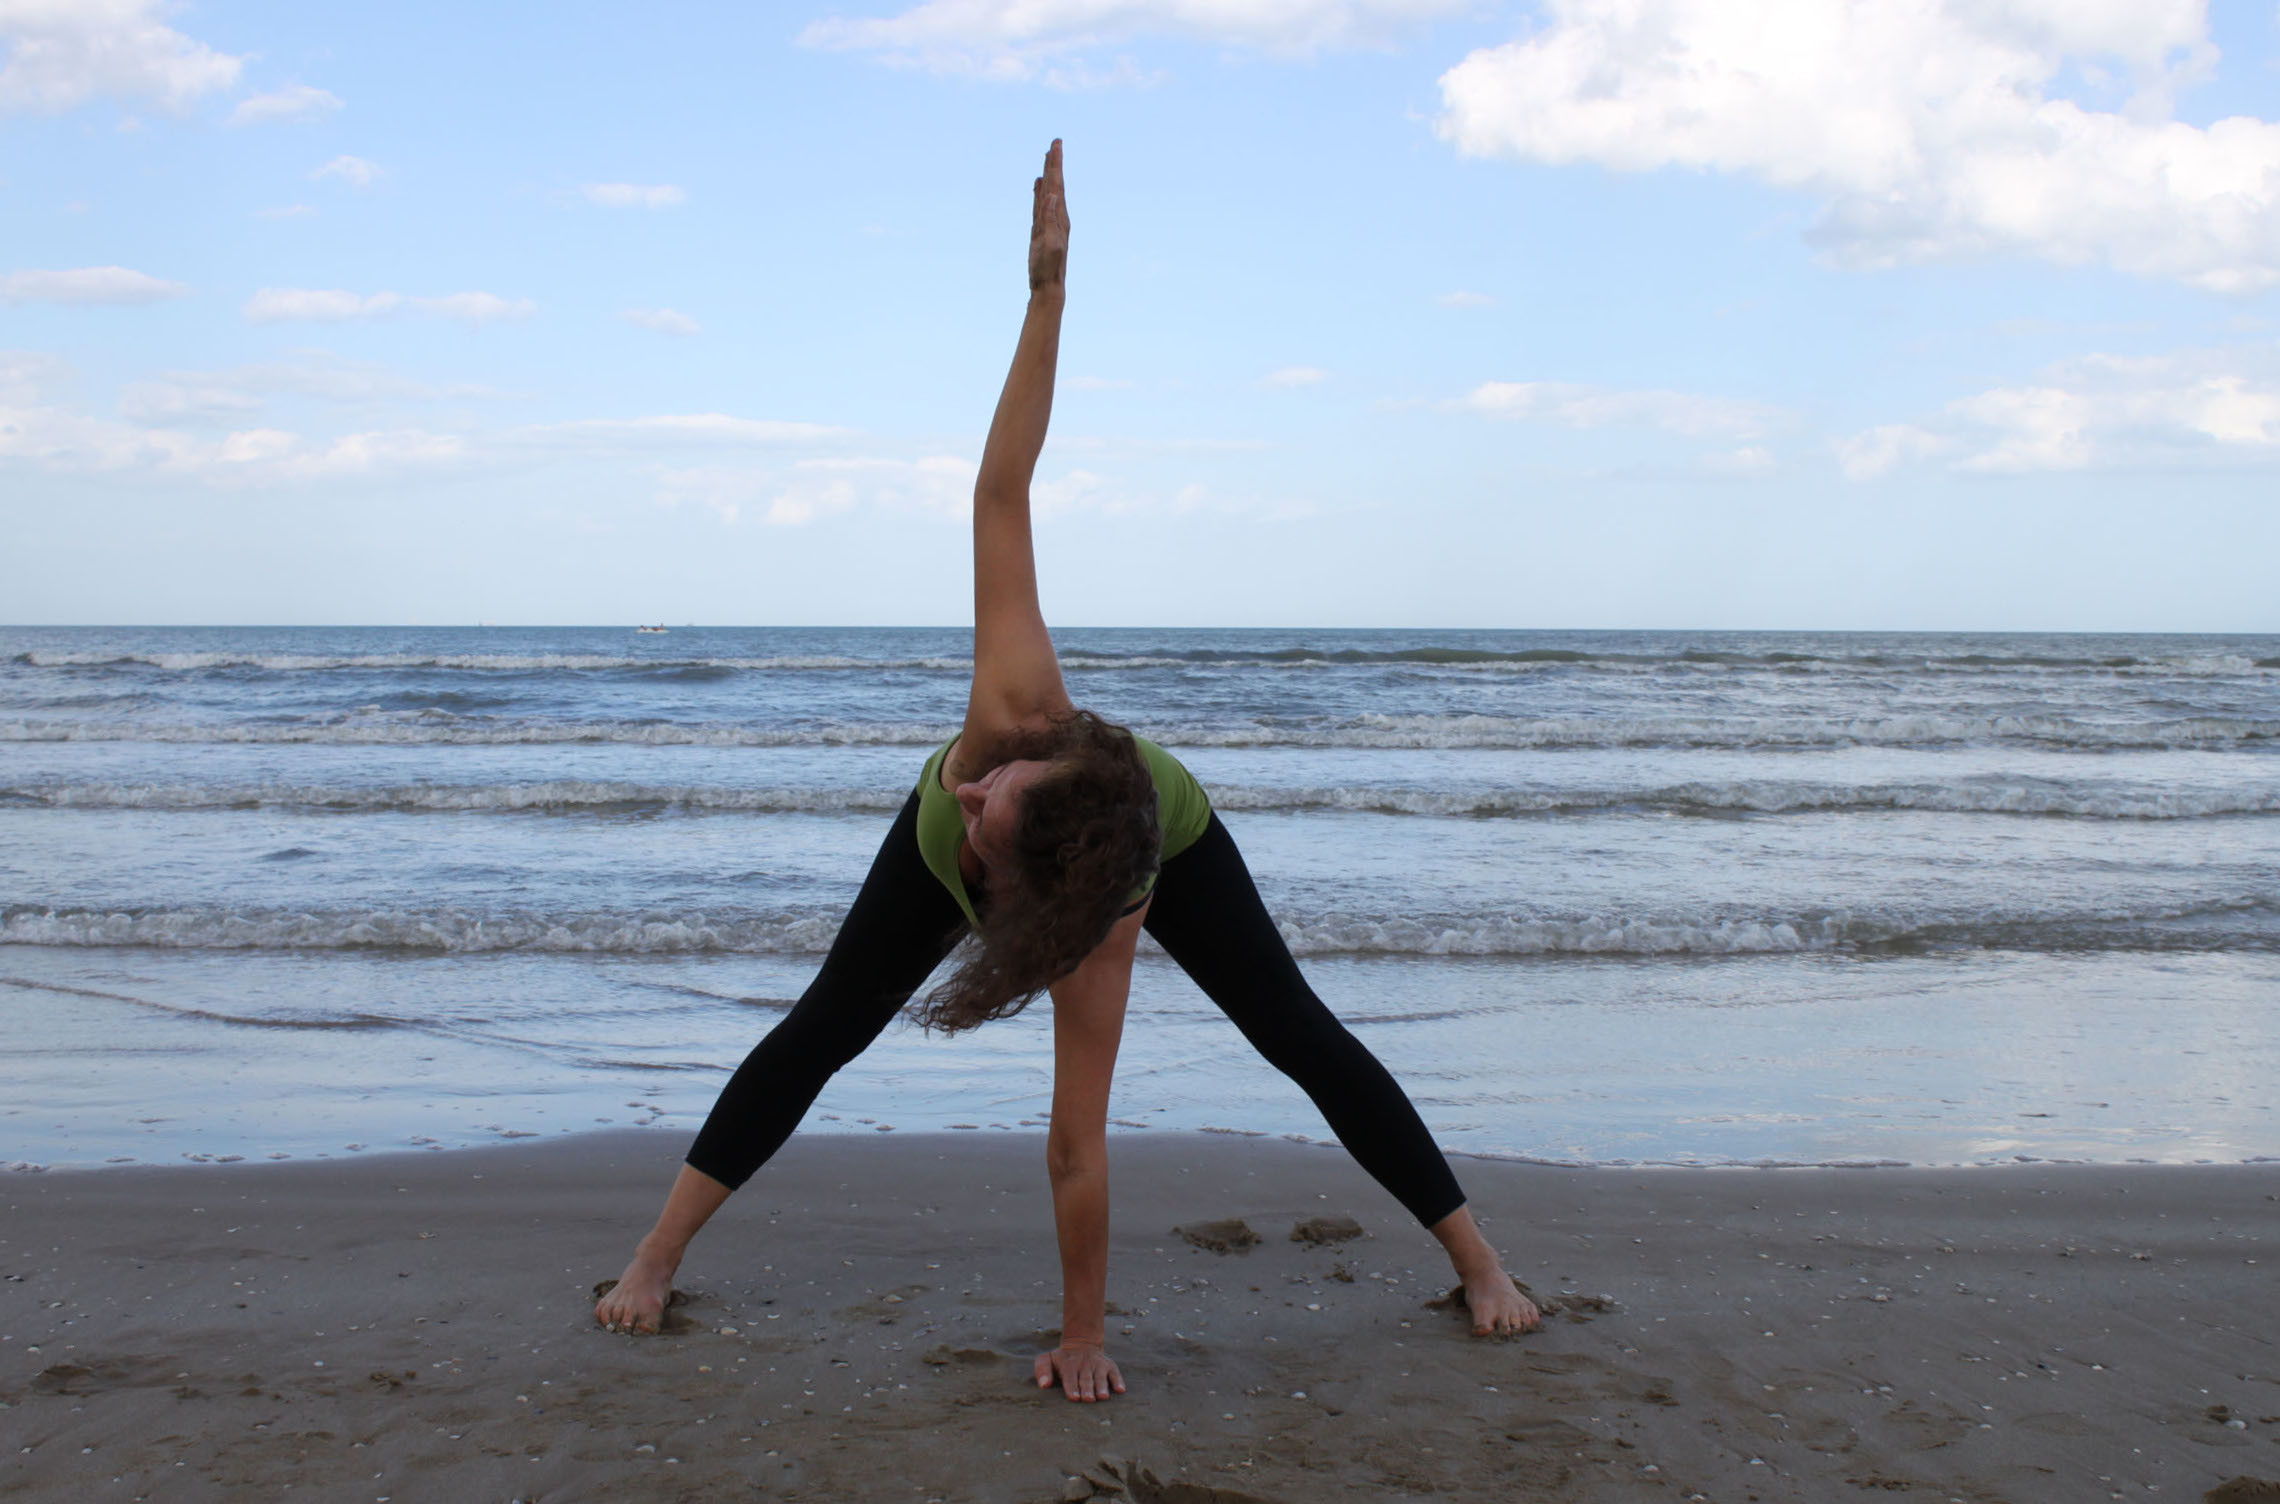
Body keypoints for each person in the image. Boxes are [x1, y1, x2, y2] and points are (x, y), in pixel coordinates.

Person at [594, 140, 1539, 1401]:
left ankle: (1475, 1259)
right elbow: (1001, 487)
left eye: (982, 817)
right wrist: (1047, 296)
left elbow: (1074, 1144)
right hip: (1074, 818)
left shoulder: (1099, 918)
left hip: (1157, 845)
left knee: (1295, 1032)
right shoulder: (1013, 709)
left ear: (1031, 897)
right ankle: (658, 1253)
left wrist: (1084, 1336)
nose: (965, 796)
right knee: (824, 1027)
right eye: (991, 788)